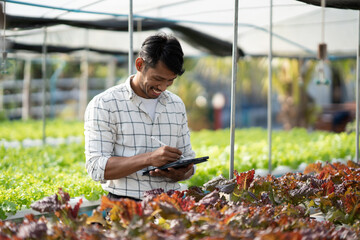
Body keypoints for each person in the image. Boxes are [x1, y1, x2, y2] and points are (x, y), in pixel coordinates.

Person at [84, 33, 196, 201]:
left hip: (169, 205)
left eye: (170, 81)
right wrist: (149, 158)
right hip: (125, 206)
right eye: (158, 79)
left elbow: (188, 161)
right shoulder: (105, 104)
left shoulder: (176, 104)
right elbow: (96, 168)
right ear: (139, 64)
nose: (163, 87)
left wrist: (181, 172)